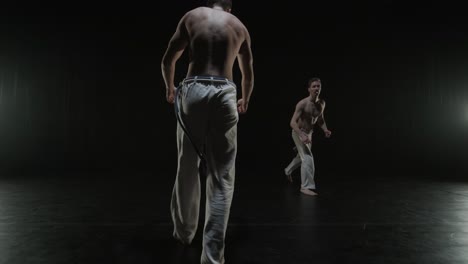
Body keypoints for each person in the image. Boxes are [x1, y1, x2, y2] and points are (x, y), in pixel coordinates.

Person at [161, 0, 254, 263]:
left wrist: (169, 88)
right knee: (222, 177)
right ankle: (212, 256)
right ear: (230, 8)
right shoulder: (240, 27)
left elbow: (168, 58)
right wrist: (245, 99)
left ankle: (184, 232)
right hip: (225, 91)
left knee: (187, 164)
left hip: (193, 88)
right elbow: (248, 73)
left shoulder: (192, 16)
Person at [284, 77, 331, 196]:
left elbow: (320, 119)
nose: (316, 88)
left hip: (309, 134)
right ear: (309, 89)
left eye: (318, 86)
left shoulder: (322, 103)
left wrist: (325, 129)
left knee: (301, 157)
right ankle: (305, 187)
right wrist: (301, 135)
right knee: (308, 157)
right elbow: (292, 122)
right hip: (299, 132)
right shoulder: (303, 103)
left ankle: (287, 170)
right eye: (314, 86)